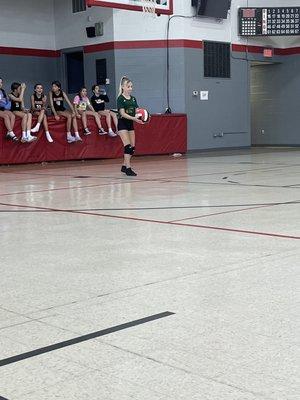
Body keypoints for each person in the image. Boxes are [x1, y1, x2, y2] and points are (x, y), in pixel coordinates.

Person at [117, 76, 144, 176]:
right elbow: (122, 114)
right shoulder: (120, 99)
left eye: (131, 86)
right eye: (128, 86)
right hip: (122, 123)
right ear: (123, 87)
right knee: (127, 147)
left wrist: (142, 115)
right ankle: (128, 168)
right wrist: (134, 118)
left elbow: (136, 110)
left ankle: (124, 166)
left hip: (130, 124)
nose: (130, 88)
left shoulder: (133, 99)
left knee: (132, 148)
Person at [0, 77, 17, 142]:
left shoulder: (2, 91)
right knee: (6, 116)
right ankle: (12, 134)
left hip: (3, 108)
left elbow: (6, 101)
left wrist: (7, 103)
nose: (0, 84)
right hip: (1, 108)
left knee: (12, 116)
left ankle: (8, 133)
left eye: (1, 82)